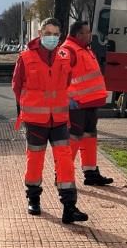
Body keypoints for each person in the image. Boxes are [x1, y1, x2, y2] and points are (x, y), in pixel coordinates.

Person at [12, 18, 88, 223]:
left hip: (60, 119)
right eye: (48, 33)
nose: (52, 37)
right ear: (39, 32)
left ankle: (69, 206)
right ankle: (34, 199)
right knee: (34, 161)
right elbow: (17, 86)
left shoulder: (65, 56)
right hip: (36, 120)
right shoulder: (26, 57)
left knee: (65, 161)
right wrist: (26, 108)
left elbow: (68, 81)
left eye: (56, 34)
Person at [62, 21, 115, 186]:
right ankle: (63, 175)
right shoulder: (68, 50)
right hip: (76, 104)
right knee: (73, 139)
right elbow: (60, 78)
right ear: (78, 34)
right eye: (87, 32)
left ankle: (91, 173)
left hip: (89, 103)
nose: (90, 34)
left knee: (89, 138)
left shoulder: (85, 49)